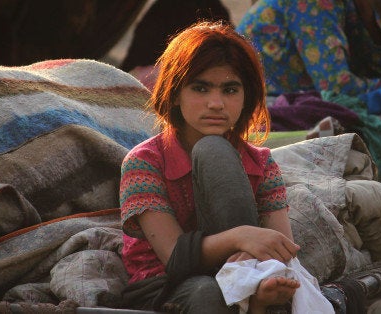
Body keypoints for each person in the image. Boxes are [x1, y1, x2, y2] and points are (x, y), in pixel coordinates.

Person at [119, 21, 303, 313]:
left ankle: (249, 292)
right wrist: (241, 236)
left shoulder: (261, 163)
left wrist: (266, 274)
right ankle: (246, 295)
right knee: (208, 292)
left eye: (230, 90)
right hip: (166, 284)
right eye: (200, 88)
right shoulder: (144, 163)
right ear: (176, 93)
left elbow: (280, 248)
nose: (216, 103)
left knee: (278, 290)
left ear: (247, 98)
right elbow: (175, 258)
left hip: (245, 270)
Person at [237, 0, 381, 203]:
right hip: (274, 100)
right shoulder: (311, 4)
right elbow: (336, 85)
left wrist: (368, 19)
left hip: (312, 88)